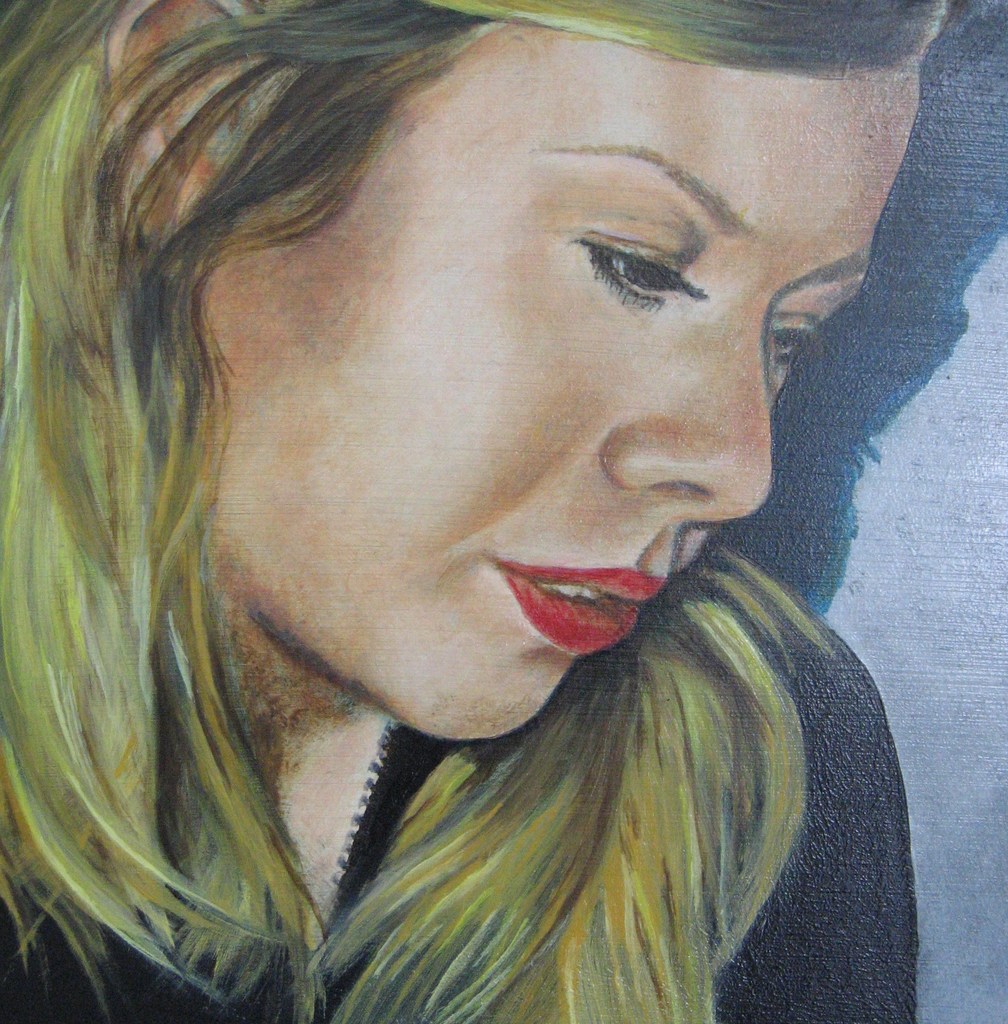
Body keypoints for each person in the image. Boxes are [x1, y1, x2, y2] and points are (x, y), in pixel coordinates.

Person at [0, 1, 956, 1022]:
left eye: (791, 336)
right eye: (634, 264)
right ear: (197, 117)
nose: (738, 469)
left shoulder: (758, 768)